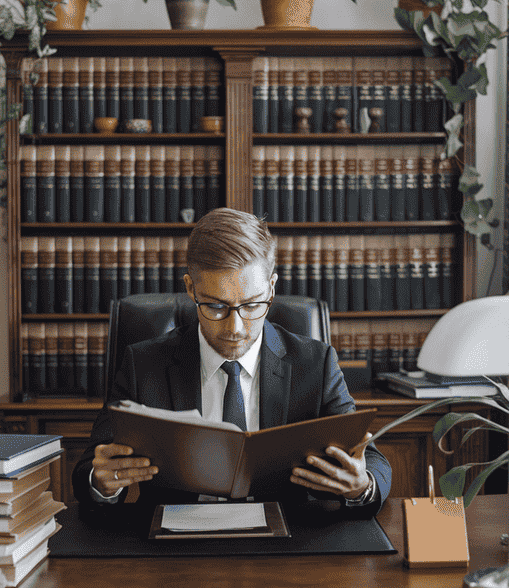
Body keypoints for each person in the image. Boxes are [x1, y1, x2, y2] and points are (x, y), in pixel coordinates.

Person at [72, 208, 391, 516]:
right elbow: (90, 468)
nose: (235, 328)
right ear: (190, 289)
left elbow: (371, 460)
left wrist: (360, 486)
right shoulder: (143, 365)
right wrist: (103, 483)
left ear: (271, 287)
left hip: (287, 542)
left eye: (252, 305)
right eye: (216, 306)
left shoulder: (315, 365)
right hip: (170, 547)